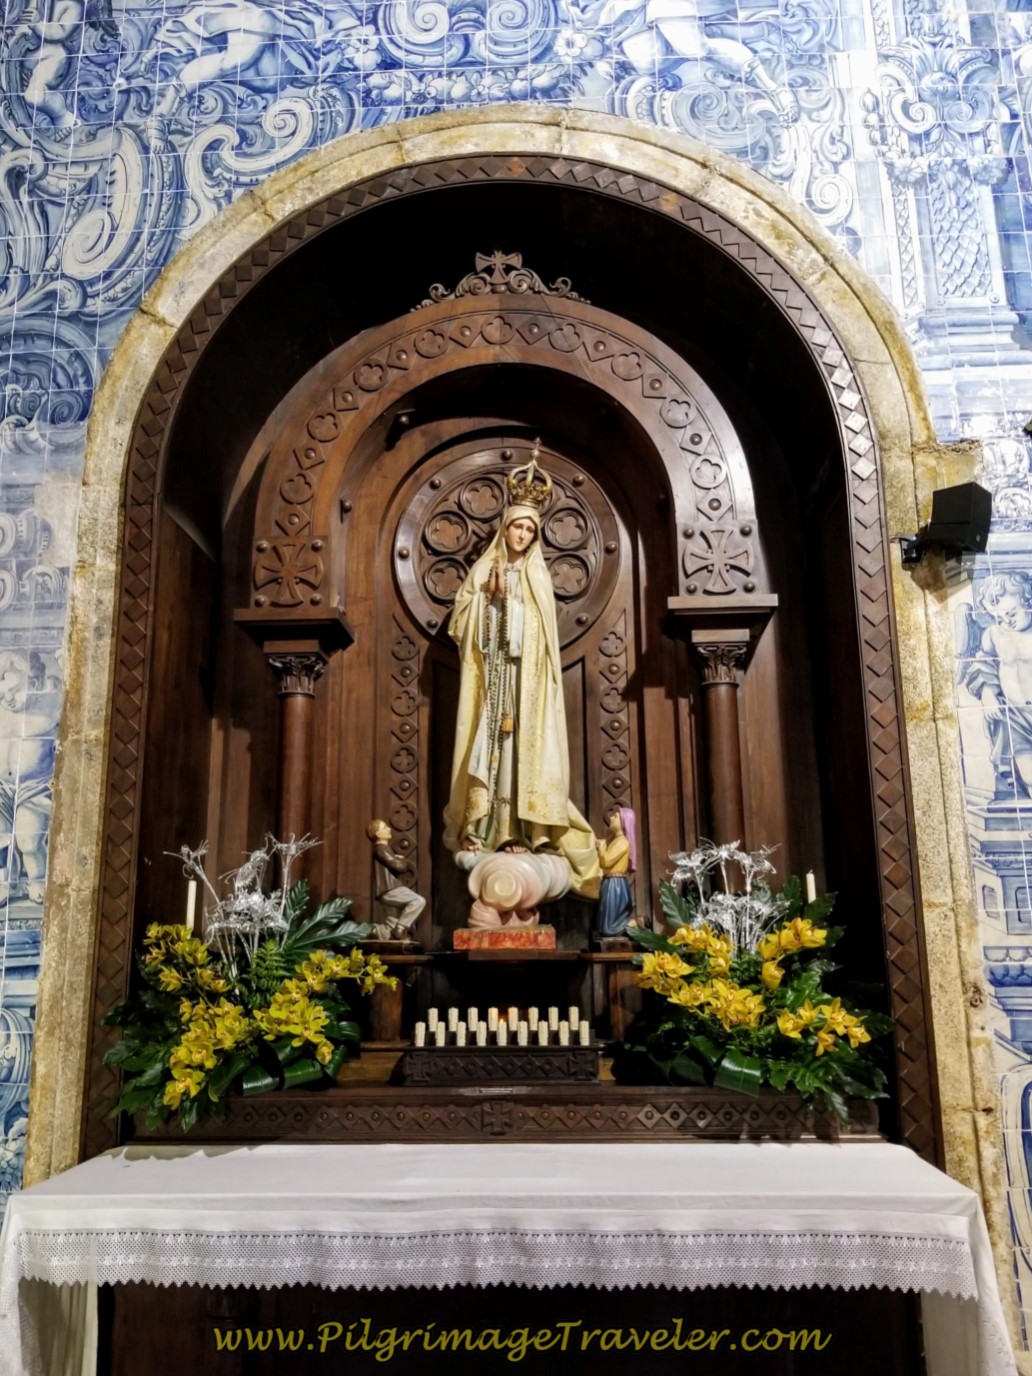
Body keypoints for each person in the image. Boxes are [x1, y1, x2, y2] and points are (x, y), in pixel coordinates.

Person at [443, 452, 600, 898]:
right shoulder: (483, 570)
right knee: (487, 751)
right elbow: (461, 625)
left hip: (524, 687)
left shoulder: (538, 576)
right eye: (518, 526)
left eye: (531, 530)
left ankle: (520, 832)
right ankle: (484, 826)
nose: (523, 534)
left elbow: (539, 632)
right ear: (505, 527)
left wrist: (511, 603)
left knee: (520, 757)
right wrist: (488, 601)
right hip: (491, 685)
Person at [367, 819, 425, 940]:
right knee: (418, 901)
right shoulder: (381, 849)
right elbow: (400, 867)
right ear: (378, 834)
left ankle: (370, 930)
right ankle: (401, 927)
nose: (389, 829)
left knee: (390, 926)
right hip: (390, 889)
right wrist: (402, 860)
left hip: (385, 891)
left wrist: (395, 857)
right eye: (384, 828)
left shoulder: (382, 849)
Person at [596, 806, 636, 936]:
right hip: (609, 882)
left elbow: (606, 862)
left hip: (615, 885)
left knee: (609, 927)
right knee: (604, 923)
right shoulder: (615, 841)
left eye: (616, 816)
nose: (611, 818)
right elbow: (604, 864)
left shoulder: (622, 843)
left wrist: (601, 848)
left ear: (624, 822)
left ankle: (635, 923)